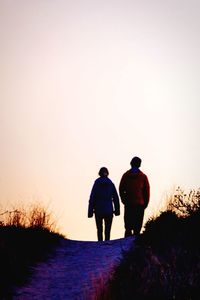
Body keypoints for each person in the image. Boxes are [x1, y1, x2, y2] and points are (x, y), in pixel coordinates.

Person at [119, 156, 150, 237]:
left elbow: (121, 189)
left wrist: (124, 200)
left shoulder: (126, 175)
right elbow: (147, 191)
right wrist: (145, 204)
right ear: (139, 165)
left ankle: (127, 247)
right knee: (137, 228)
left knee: (128, 227)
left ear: (131, 163)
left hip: (129, 204)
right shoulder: (143, 176)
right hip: (139, 204)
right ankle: (135, 247)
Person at [88, 167, 120, 241]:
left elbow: (92, 197)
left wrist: (90, 211)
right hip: (109, 209)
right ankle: (107, 242)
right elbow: (115, 197)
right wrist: (117, 210)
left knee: (99, 229)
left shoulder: (96, 183)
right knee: (107, 229)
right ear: (107, 173)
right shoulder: (110, 183)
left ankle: (100, 243)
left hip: (98, 209)